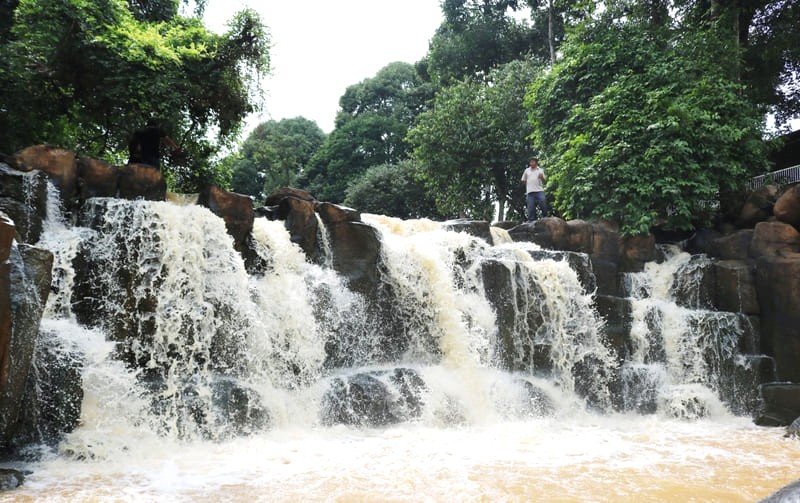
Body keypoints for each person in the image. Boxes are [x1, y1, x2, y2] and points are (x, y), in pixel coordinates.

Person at [521, 157, 548, 222]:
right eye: (530, 162)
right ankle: (531, 220)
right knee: (530, 207)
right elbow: (523, 180)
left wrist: (542, 178)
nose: (531, 163)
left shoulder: (540, 170)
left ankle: (545, 217)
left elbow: (544, 181)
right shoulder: (527, 170)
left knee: (543, 202)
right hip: (530, 191)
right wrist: (526, 182)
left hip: (539, 190)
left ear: (536, 162)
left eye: (533, 162)